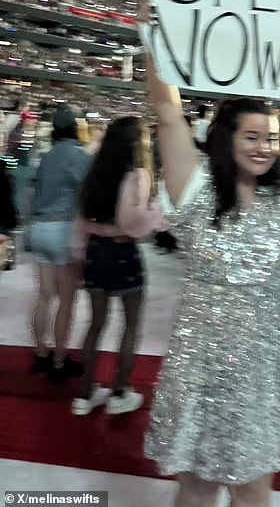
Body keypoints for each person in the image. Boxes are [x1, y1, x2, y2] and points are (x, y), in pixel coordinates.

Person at [142, 53, 280, 507]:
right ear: (224, 139)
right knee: (197, 485)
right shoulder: (194, 188)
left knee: (255, 488)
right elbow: (166, 113)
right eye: (251, 136)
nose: (264, 146)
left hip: (268, 364)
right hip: (202, 361)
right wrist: (152, 40)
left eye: (272, 137)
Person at [70, 116, 165, 416]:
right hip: (123, 251)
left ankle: (85, 395)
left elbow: (80, 220)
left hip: (95, 253)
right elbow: (132, 222)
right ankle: (120, 392)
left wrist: (80, 255)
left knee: (95, 325)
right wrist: (157, 214)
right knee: (130, 326)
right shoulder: (137, 175)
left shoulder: (96, 172)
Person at [28, 104, 92, 380]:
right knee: (67, 300)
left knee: (44, 296)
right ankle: (59, 360)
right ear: (75, 128)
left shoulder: (46, 156)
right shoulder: (79, 156)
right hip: (63, 229)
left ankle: (41, 352)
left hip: (39, 228)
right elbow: (88, 193)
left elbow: (33, 191)